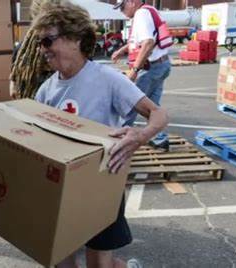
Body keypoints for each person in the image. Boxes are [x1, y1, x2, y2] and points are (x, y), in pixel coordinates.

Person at [32, 2, 168, 268]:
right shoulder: (45, 91)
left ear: (75, 38)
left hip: (101, 183)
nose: (42, 49)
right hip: (61, 187)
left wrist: (140, 136)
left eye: (48, 40)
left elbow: (159, 114)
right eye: (39, 42)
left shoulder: (107, 78)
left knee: (99, 262)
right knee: (60, 258)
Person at [111, 0, 171, 150]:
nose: (122, 11)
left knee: (130, 104)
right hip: (161, 64)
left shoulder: (141, 14)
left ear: (132, 2)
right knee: (152, 107)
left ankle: (118, 141)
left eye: (122, 7)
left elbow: (148, 43)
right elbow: (141, 40)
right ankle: (160, 138)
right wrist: (121, 50)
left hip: (149, 68)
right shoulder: (148, 11)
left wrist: (134, 71)